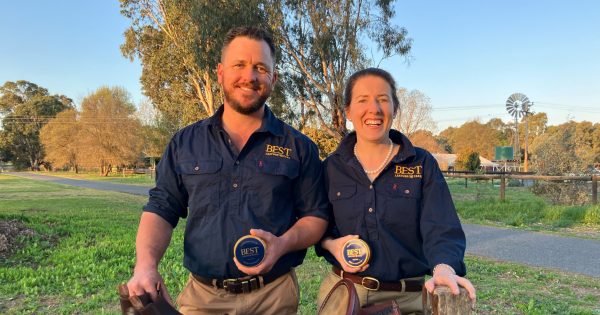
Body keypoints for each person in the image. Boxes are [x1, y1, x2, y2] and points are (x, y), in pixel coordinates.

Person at [126, 26, 330, 315]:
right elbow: (161, 208)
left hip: (274, 297)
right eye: (240, 65)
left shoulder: (300, 147)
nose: (250, 76)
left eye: (261, 67)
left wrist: (283, 244)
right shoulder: (185, 143)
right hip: (203, 299)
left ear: (273, 78)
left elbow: (316, 216)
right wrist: (145, 266)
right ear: (220, 73)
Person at [316, 68, 476, 314]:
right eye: (362, 100)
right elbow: (319, 227)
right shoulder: (330, 168)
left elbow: (441, 226)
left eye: (383, 99)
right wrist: (332, 245)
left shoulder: (421, 164)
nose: (374, 109)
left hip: (407, 299)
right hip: (343, 294)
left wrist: (444, 267)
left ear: (395, 108)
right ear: (348, 111)